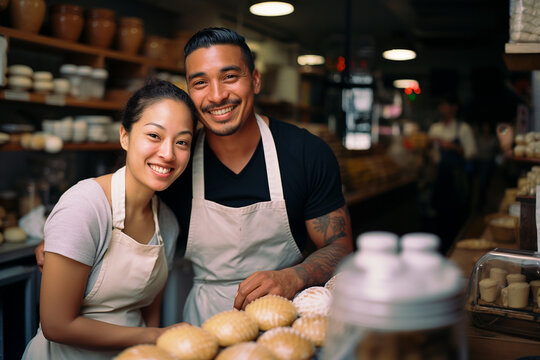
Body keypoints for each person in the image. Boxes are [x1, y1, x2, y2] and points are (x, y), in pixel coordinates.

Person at [160, 27, 353, 326]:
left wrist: (294, 276)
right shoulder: (175, 164)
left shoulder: (306, 153)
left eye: (230, 77)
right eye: (200, 83)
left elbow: (341, 247)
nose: (217, 95)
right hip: (204, 326)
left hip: (286, 324)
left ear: (256, 80)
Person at [24, 79, 197, 359]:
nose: (168, 153)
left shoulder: (167, 223)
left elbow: (148, 313)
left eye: (182, 142)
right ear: (124, 136)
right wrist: (155, 336)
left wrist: (151, 344)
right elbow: (56, 325)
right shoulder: (85, 206)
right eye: (154, 135)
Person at [428, 94, 477, 254]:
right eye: (440, 105)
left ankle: (455, 251)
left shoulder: (463, 129)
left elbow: (471, 153)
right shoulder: (435, 128)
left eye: (445, 104)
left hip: (457, 181)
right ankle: (441, 251)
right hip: (440, 179)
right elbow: (433, 155)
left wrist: (454, 147)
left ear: (454, 107)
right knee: (439, 218)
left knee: (456, 217)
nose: (442, 108)